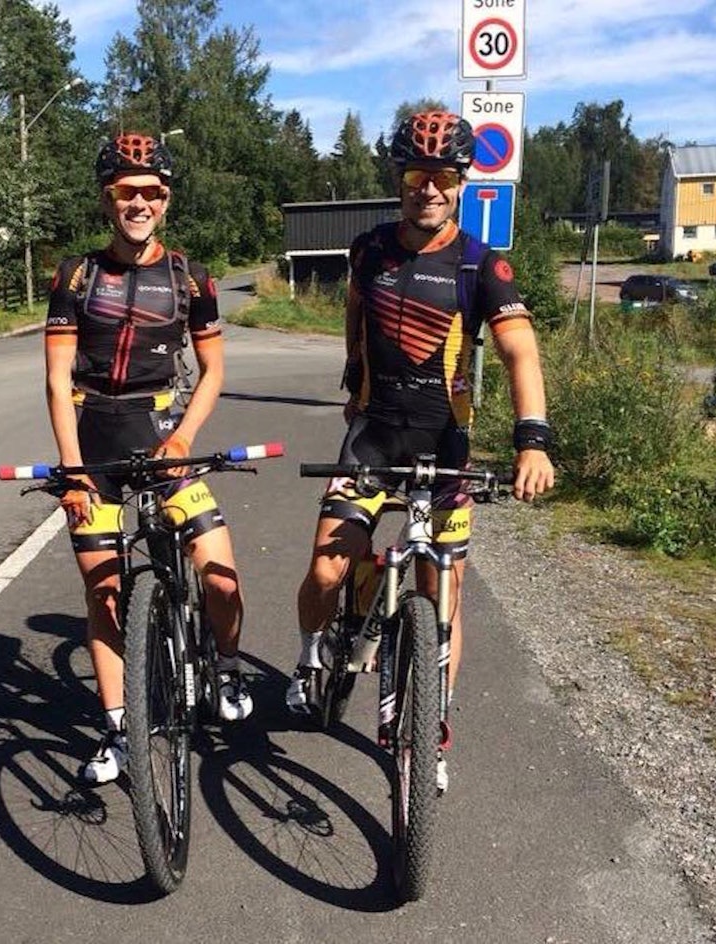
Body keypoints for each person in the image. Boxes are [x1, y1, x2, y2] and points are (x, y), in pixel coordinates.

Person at [285, 112, 556, 790]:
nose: (427, 189)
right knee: (325, 572)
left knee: (442, 596)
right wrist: (352, 377)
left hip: (445, 449)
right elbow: (354, 309)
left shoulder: (480, 264)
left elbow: (521, 351)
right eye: (415, 175)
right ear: (399, 181)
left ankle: (432, 725)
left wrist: (533, 441)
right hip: (373, 437)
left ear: (460, 183)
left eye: (440, 177)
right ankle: (312, 652)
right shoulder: (369, 248)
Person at [44, 132, 252, 786]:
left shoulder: (192, 278)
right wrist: (73, 470)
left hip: (165, 437)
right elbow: (55, 381)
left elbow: (214, 369)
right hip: (96, 445)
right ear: (108, 199)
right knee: (103, 591)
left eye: (151, 193)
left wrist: (185, 436)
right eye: (126, 192)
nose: (139, 203)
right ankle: (118, 729)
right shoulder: (76, 275)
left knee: (219, 570)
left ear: (165, 199)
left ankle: (224, 664)